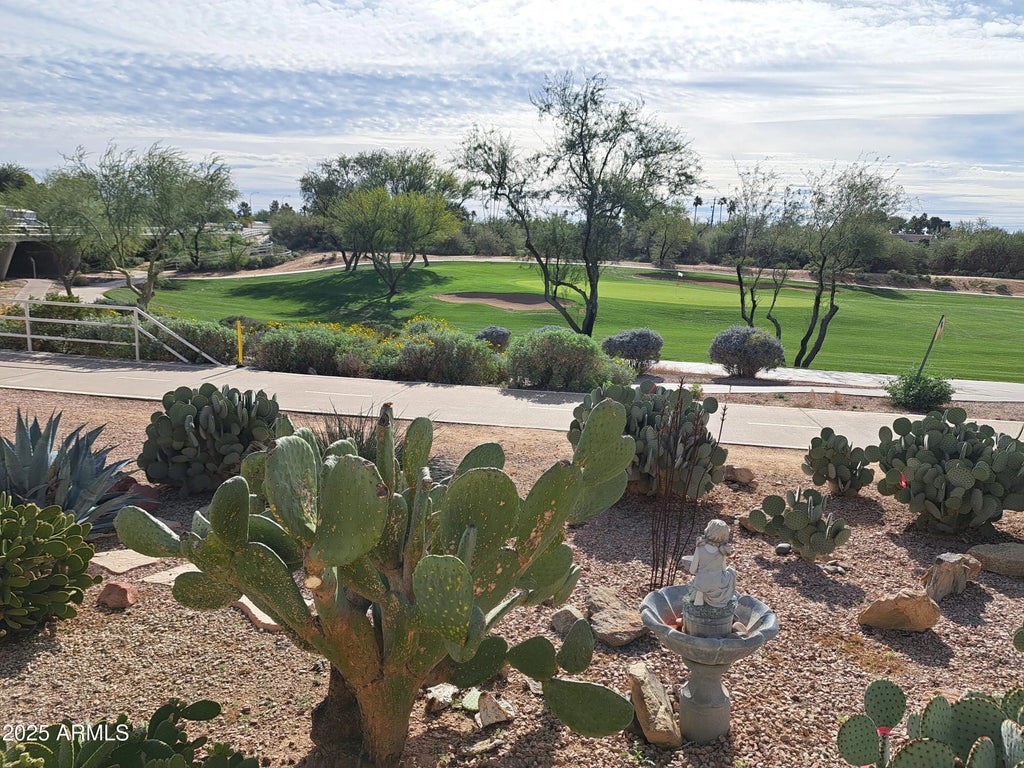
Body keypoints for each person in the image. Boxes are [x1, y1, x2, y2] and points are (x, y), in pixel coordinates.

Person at [688, 519, 737, 607]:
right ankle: (726, 595)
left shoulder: (700, 547)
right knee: (731, 572)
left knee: (701, 581)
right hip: (716, 584)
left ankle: (700, 595)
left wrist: (701, 572)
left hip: (701, 583)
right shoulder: (722, 549)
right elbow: (723, 570)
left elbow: (692, 570)